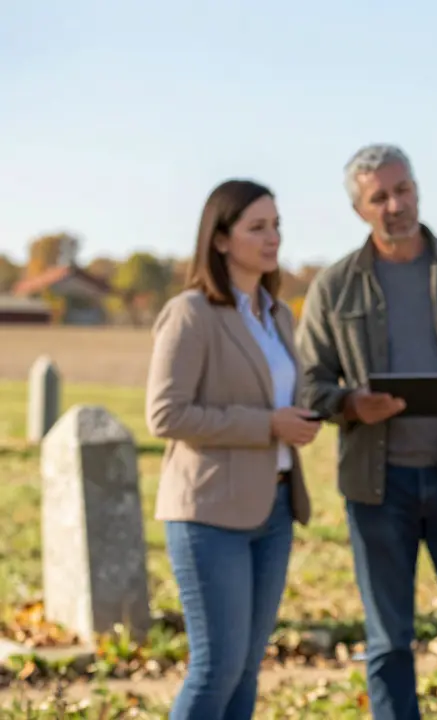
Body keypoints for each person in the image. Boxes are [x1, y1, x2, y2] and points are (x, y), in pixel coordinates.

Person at [294, 143, 437, 720]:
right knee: (389, 643)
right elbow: (308, 383)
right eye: (379, 197)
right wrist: (351, 404)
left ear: (417, 189)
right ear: (359, 210)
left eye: (402, 190)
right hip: (377, 490)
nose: (395, 205)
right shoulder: (334, 286)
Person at [145, 179, 320, 719]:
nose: (273, 238)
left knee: (246, 668)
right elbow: (166, 414)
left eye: (276, 226)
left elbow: (282, 394)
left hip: (275, 509)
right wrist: (268, 424)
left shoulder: (279, 314)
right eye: (257, 227)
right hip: (208, 513)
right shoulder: (191, 313)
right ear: (220, 240)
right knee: (216, 667)